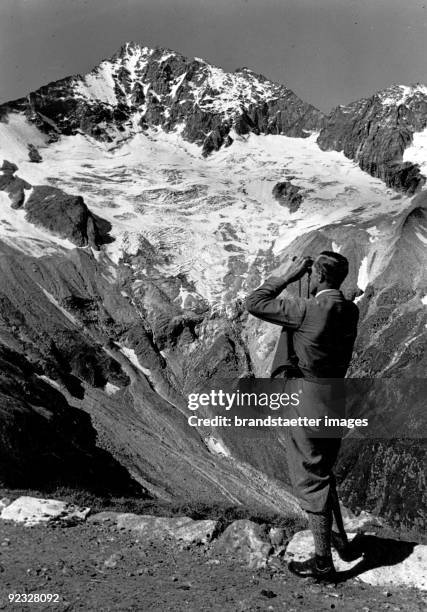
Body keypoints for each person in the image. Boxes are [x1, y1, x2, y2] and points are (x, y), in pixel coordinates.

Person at [246, 251, 359, 581]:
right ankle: (341, 542)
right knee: (324, 469)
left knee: (310, 476)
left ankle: (323, 561)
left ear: (319, 277)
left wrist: (289, 275)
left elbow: (255, 302)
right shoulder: (349, 310)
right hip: (335, 396)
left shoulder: (306, 309)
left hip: (306, 397)